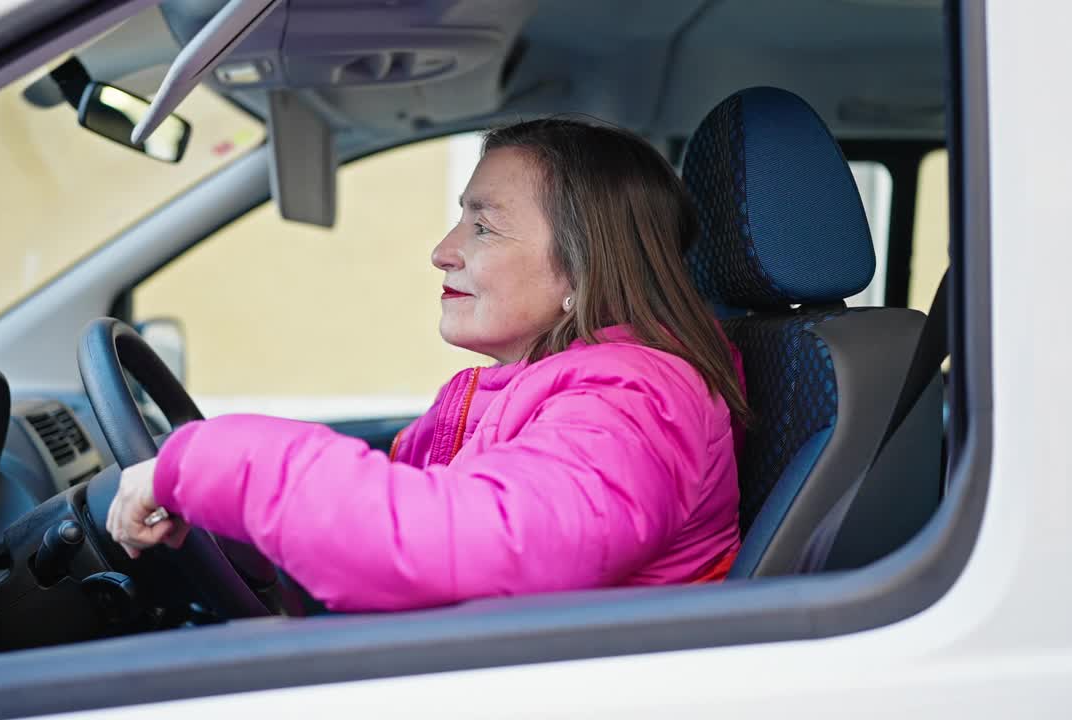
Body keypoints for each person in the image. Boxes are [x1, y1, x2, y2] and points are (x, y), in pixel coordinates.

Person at [106, 118, 748, 612]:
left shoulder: (633, 397)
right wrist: (221, 510)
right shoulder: (531, 386)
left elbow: (470, 545)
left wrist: (207, 464)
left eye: (484, 228)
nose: (443, 251)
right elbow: (393, 492)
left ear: (586, 266)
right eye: (459, 220)